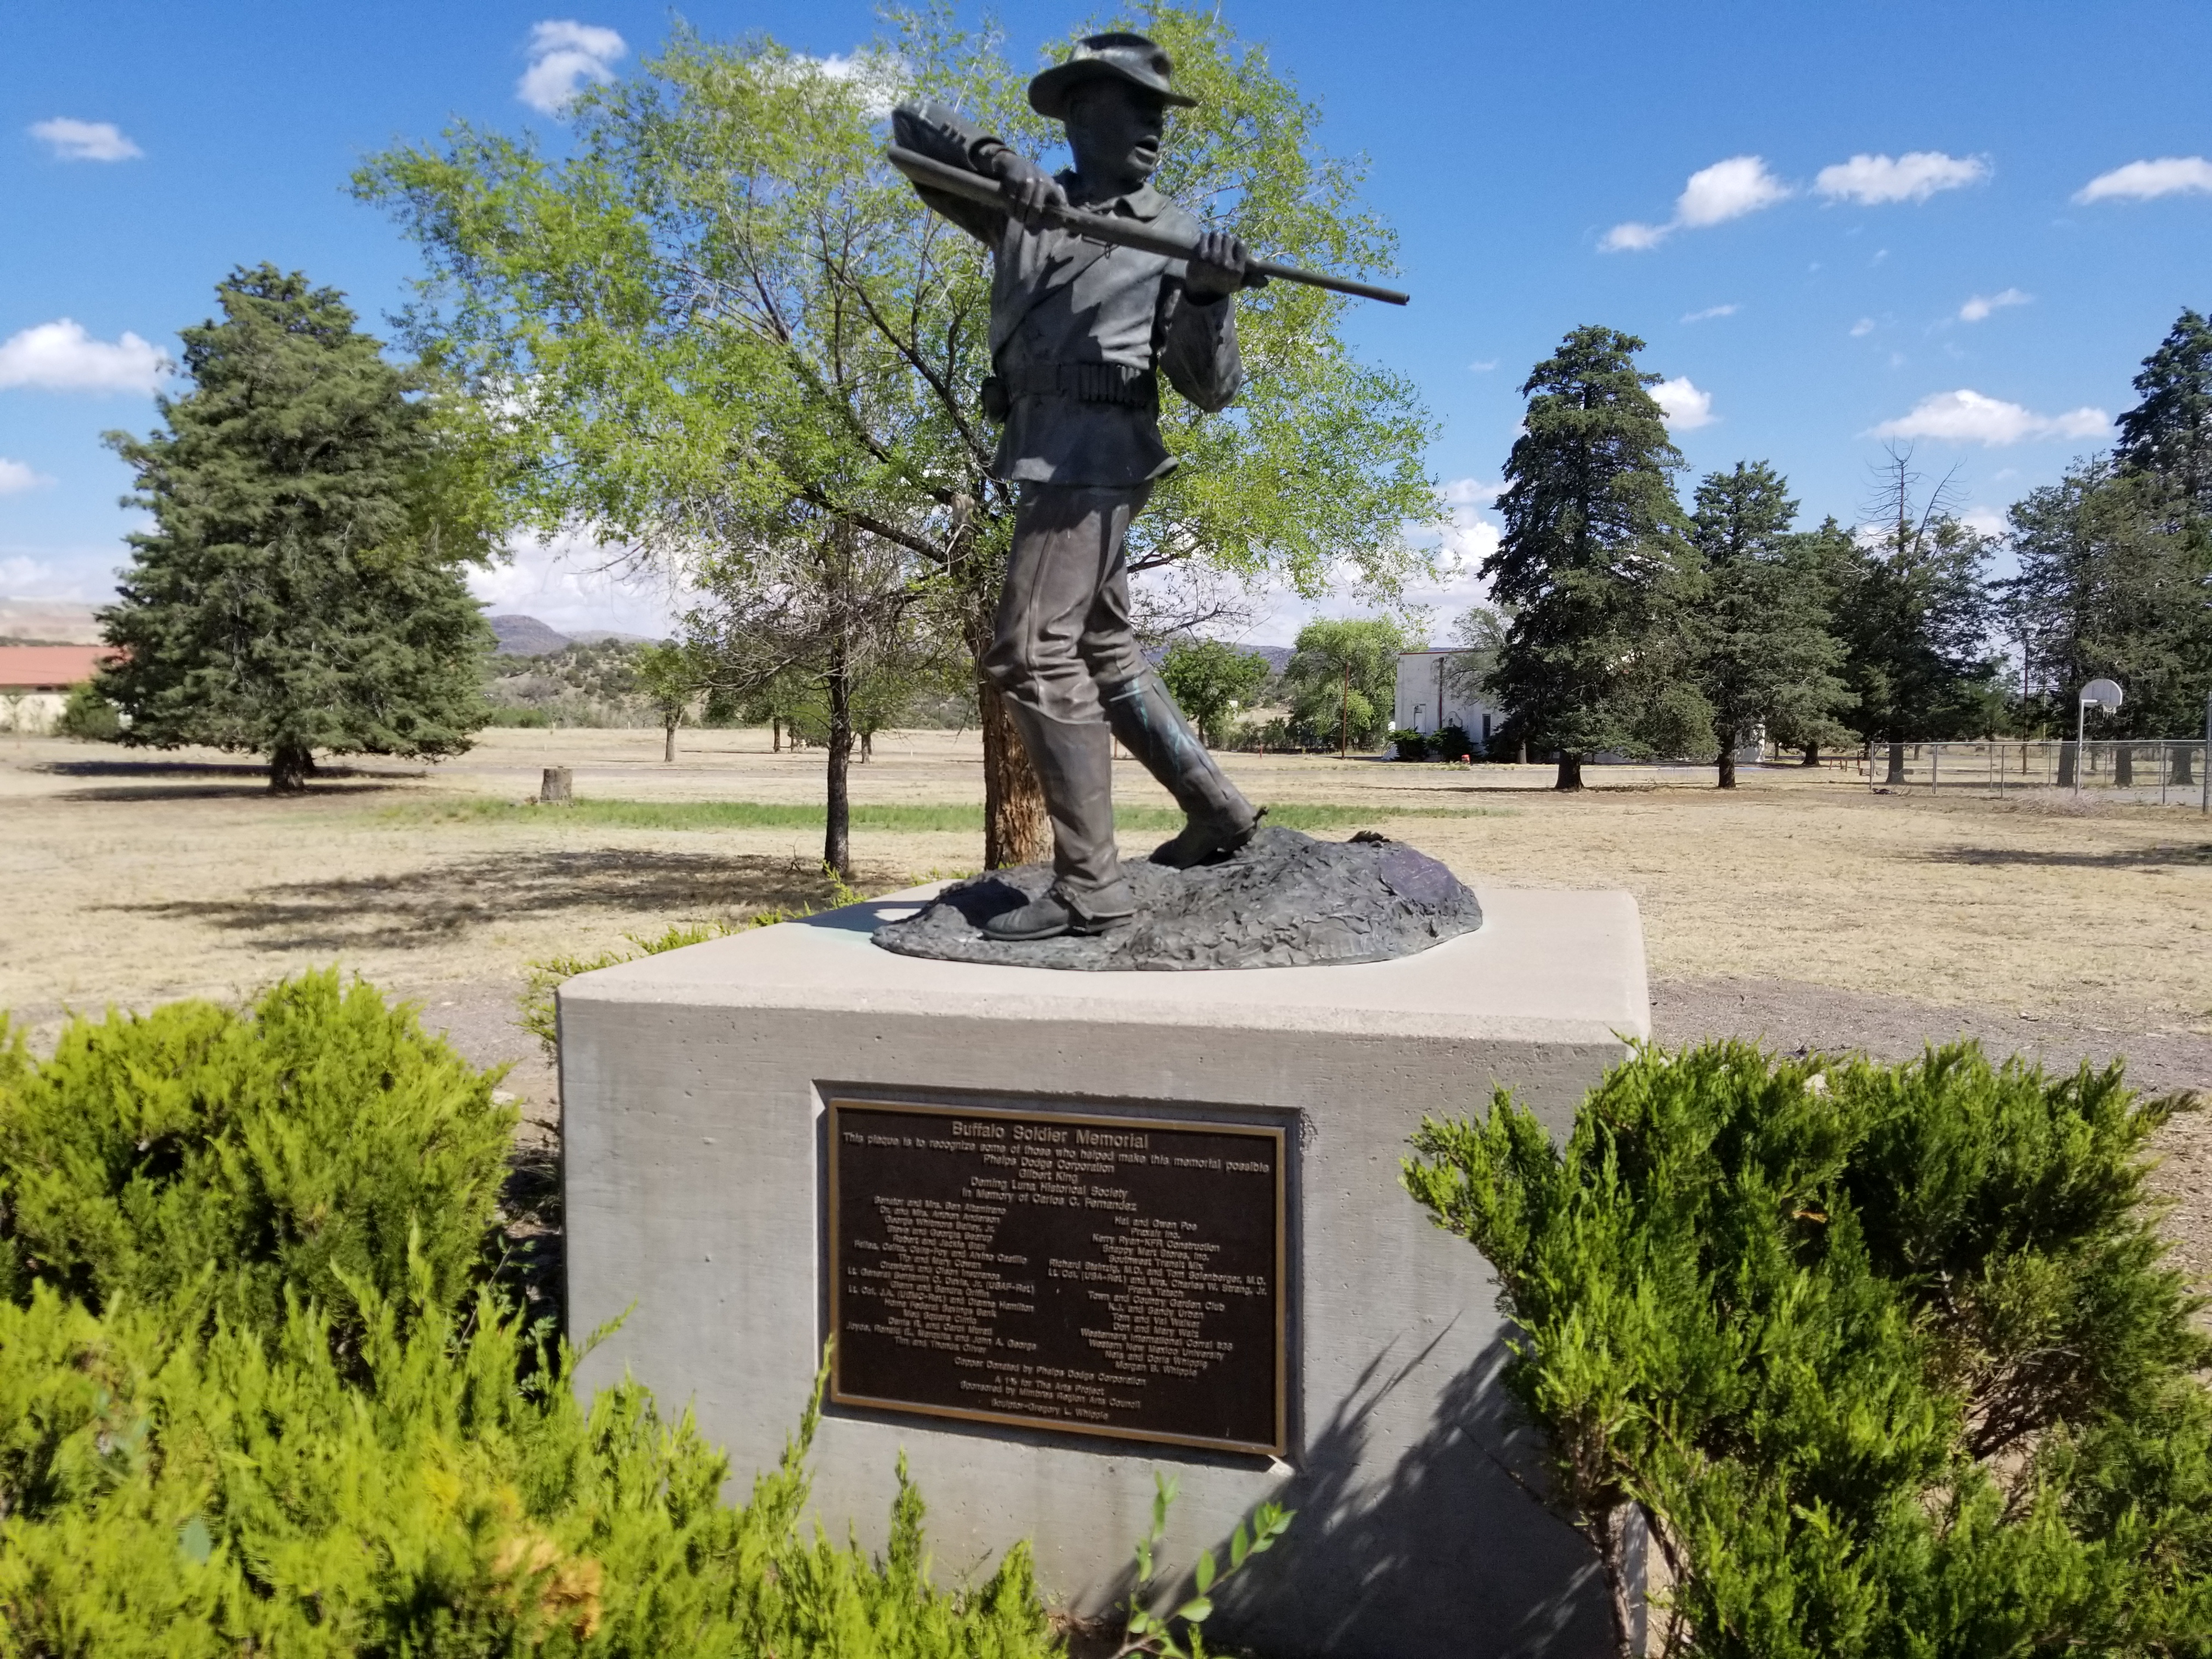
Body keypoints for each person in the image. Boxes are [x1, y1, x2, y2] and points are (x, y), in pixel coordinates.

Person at [892, 33, 1263, 942]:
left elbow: (1211, 391)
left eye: (1160, 115)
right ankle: (1217, 809)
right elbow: (909, 132)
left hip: (1100, 452)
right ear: (1080, 110)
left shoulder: (1174, 234)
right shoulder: (1022, 208)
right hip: (1038, 443)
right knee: (1105, 650)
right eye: (1135, 107)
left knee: (1029, 652)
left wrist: (1211, 299)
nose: (1152, 130)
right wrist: (1003, 161)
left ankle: (1092, 886)